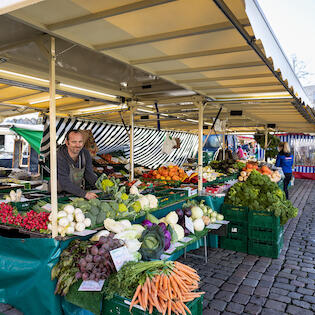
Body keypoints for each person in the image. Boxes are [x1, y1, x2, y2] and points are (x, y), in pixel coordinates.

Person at [57, 129, 98, 200]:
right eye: (74, 142)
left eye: (80, 142)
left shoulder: (85, 153)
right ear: (67, 143)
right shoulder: (59, 155)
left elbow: (89, 174)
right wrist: (84, 194)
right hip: (58, 195)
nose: (78, 145)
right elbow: (64, 182)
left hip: (76, 193)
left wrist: (101, 185)